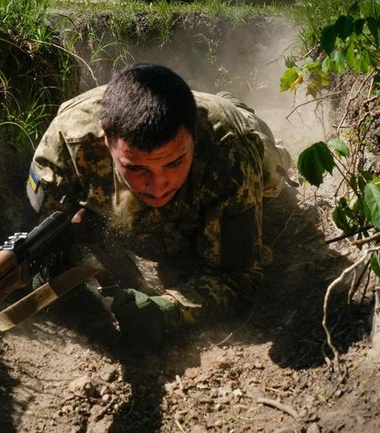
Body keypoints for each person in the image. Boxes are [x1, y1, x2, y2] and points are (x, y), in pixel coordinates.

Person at [25, 63, 291, 351]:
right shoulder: (65, 143)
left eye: (174, 163)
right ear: (106, 142)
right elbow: (44, 225)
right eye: (136, 168)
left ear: (195, 138)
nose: (158, 184)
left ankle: (233, 104)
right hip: (127, 113)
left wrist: (169, 309)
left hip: (239, 131)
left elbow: (240, 275)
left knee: (273, 170)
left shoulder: (228, 149)